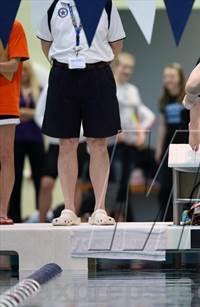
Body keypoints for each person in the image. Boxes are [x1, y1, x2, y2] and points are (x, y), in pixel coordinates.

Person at [37, 0, 125, 225]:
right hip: (63, 75)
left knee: (98, 143)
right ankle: (68, 209)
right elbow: (46, 43)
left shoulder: (105, 4)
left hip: (97, 75)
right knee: (66, 143)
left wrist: (94, 60)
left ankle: (100, 208)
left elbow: (116, 43)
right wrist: (65, 62)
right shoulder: (55, 4)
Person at [110, 52, 155, 220]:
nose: (128, 71)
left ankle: (121, 216)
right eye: (124, 67)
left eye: (130, 68)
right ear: (116, 67)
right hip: (110, 143)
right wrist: (116, 130)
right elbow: (105, 112)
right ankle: (108, 213)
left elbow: (140, 115)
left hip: (129, 143)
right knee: (113, 181)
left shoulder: (132, 90)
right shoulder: (109, 86)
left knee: (124, 181)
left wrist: (140, 131)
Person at [34, 86, 89, 223]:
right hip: (56, 142)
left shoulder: (88, 81)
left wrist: (78, 132)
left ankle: (72, 215)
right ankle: (41, 221)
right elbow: (39, 113)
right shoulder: (52, 84)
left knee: (76, 183)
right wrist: (54, 130)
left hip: (79, 142)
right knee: (46, 183)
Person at [0, 21, 29, 225]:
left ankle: (2, 210)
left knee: (6, 157)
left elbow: (13, 65)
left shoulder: (14, 26)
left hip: (6, 102)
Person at [9, 61, 44, 223]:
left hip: (36, 138)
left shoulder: (39, 90)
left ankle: (40, 214)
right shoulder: (12, 89)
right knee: (16, 179)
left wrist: (23, 112)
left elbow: (42, 112)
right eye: (22, 71)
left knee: (39, 177)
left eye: (27, 71)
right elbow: (12, 110)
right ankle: (14, 215)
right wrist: (31, 113)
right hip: (16, 139)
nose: (24, 74)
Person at [155, 63, 189, 221]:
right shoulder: (164, 100)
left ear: (180, 79)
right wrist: (158, 149)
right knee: (165, 186)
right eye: (166, 77)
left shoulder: (188, 97)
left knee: (186, 184)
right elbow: (162, 126)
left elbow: (197, 122)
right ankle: (167, 218)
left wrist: (196, 145)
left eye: (172, 76)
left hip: (186, 143)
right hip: (169, 145)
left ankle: (188, 216)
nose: (168, 80)